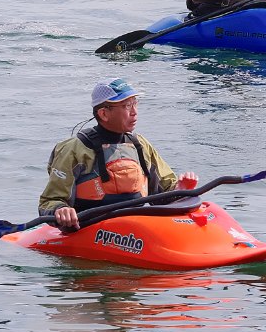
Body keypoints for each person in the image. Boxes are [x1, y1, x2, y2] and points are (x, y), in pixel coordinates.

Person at [43, 78, 194, 230]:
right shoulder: (74, 149)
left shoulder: (140, 145)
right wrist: (60, 210)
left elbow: (164, 196)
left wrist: (180, 189)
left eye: (135, 103)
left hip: (135, 229)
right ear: (104, 114)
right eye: (127, 106)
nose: (134, 112)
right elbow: (50, 201)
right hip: (88, 229)